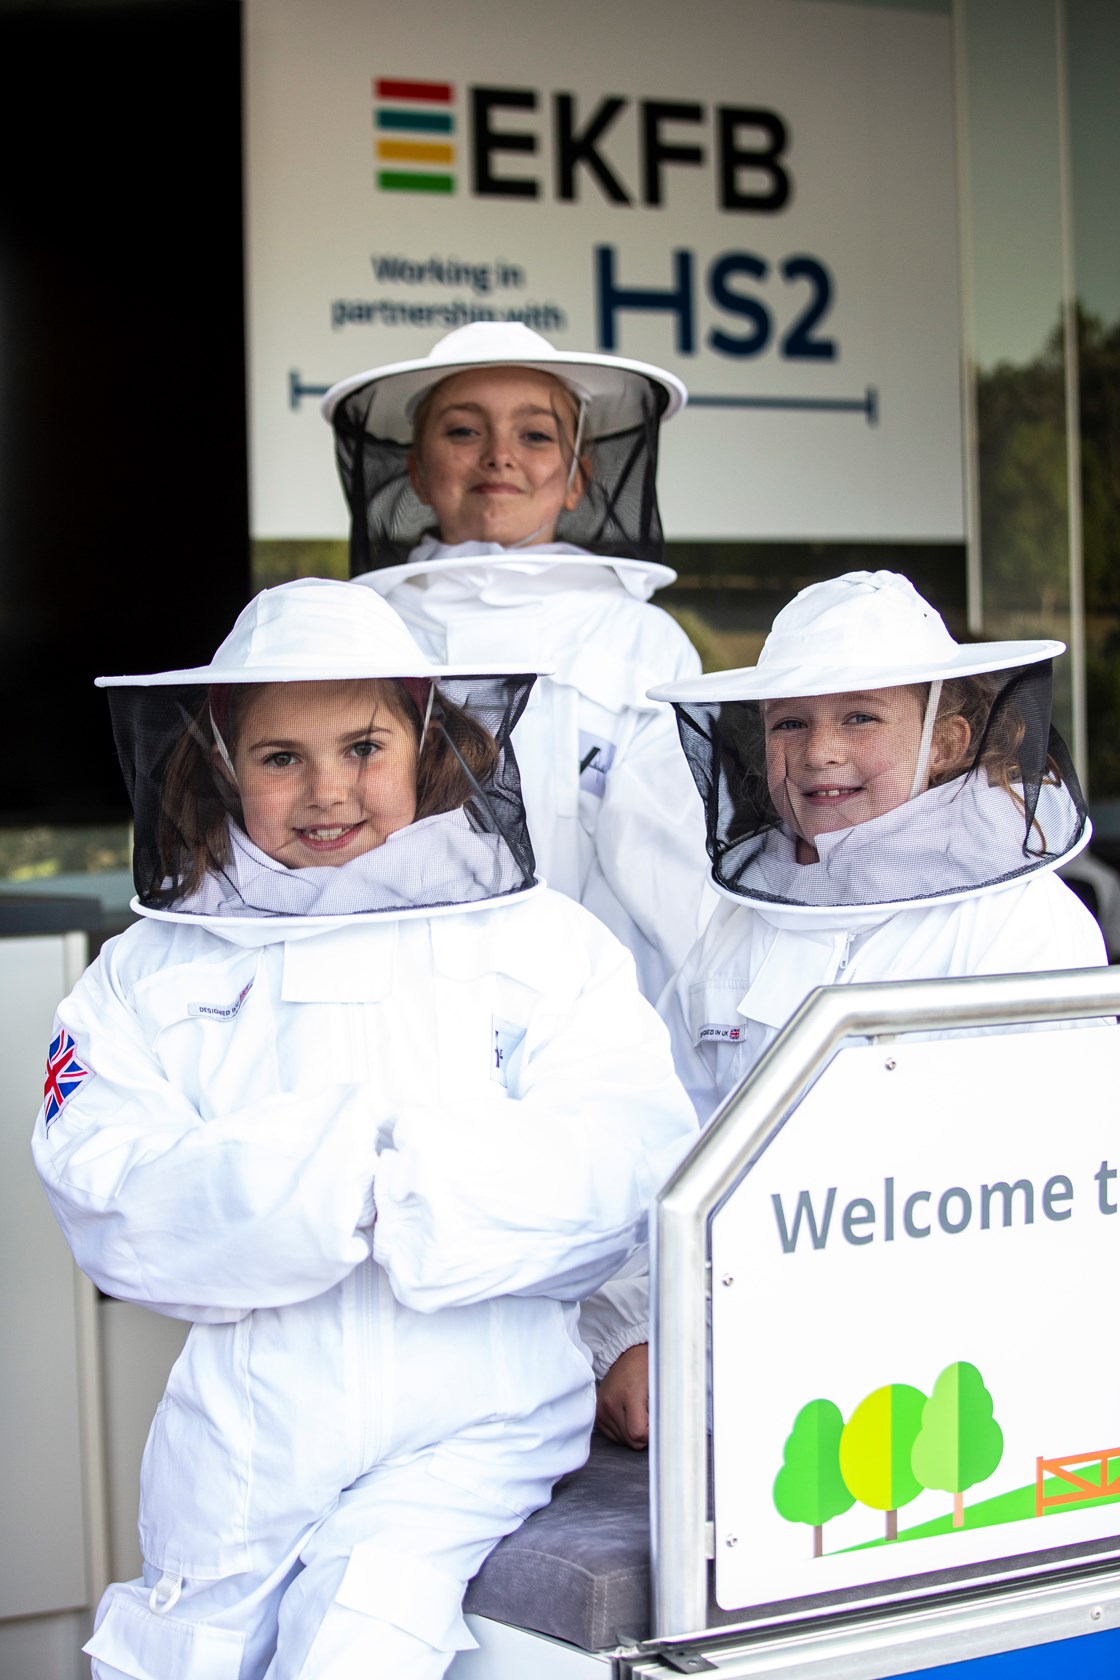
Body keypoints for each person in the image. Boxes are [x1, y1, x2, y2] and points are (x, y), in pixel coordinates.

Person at [32, 578, 696, 1680]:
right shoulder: (149, 971)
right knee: (168, 1658)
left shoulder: (543, 943)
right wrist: (336, 1182)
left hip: (477, 1422)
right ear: (218, 765)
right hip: (244, 1435)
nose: (326, 789)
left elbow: (629, 1159)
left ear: (428, 745)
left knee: (354, 1643)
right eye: (280, 757)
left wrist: (413, 1195)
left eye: (362, 746)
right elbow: (104, 1187)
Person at [590, 569, 1108, 1450]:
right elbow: (667, 1148)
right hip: (735, 1380)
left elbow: (1008, 1208)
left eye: (860, 717)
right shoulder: (744, 923)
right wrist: (629, 1335)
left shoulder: (1019, 924)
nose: (820, 751)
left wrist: (726, 1348)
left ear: (944, 740)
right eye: (792, 722)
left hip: (949, 1395)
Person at [322, 321, 712, 1005]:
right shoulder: (359, 637)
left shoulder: (641, 640)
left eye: (534, 435)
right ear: (415, 468)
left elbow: (676, 871)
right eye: (464, 431)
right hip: (396, 1011)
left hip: (604, 1021)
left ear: (576, 477)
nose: (500, 456)